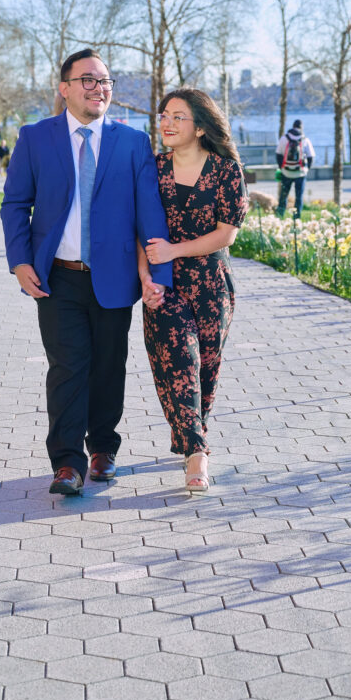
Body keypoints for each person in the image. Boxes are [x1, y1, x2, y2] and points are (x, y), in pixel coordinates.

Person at [0, 48, 172, 497]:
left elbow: (149, 214)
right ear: (65, 88)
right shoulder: (35, 138)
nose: (100, 89)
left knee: (109, 368)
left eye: (106, 81)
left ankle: (103, 449)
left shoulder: (132, 142)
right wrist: (19, 262)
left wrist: (160, 276)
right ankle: (66, 464)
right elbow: (15, 204)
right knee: (67, 368)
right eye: (89, 80)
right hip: (56, 278)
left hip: (115, 278)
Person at [140, 89, 248, 494]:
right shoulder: (151, 169)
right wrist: (147, 278)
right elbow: (138, 231)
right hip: (165, 284)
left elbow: (226, 235)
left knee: (205, 370)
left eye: (178, 117)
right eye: (164, 115)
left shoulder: (225, 171)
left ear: (201, 126)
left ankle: (187, 436)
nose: (166, 123)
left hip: (211, 284)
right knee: (178, 363)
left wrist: (174, 249)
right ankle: (197, 453)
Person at [275, 119, 315, 218]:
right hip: (300, 173)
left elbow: (278, 154)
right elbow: (311, 156)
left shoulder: (284, 138)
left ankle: (280, 215)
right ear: (301, 127)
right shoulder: (305, 139)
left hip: (286, 172)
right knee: (299, 197)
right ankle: (296, 218)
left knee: (283, 195)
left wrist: (282, 167)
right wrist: (307, 169)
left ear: (292, 126)